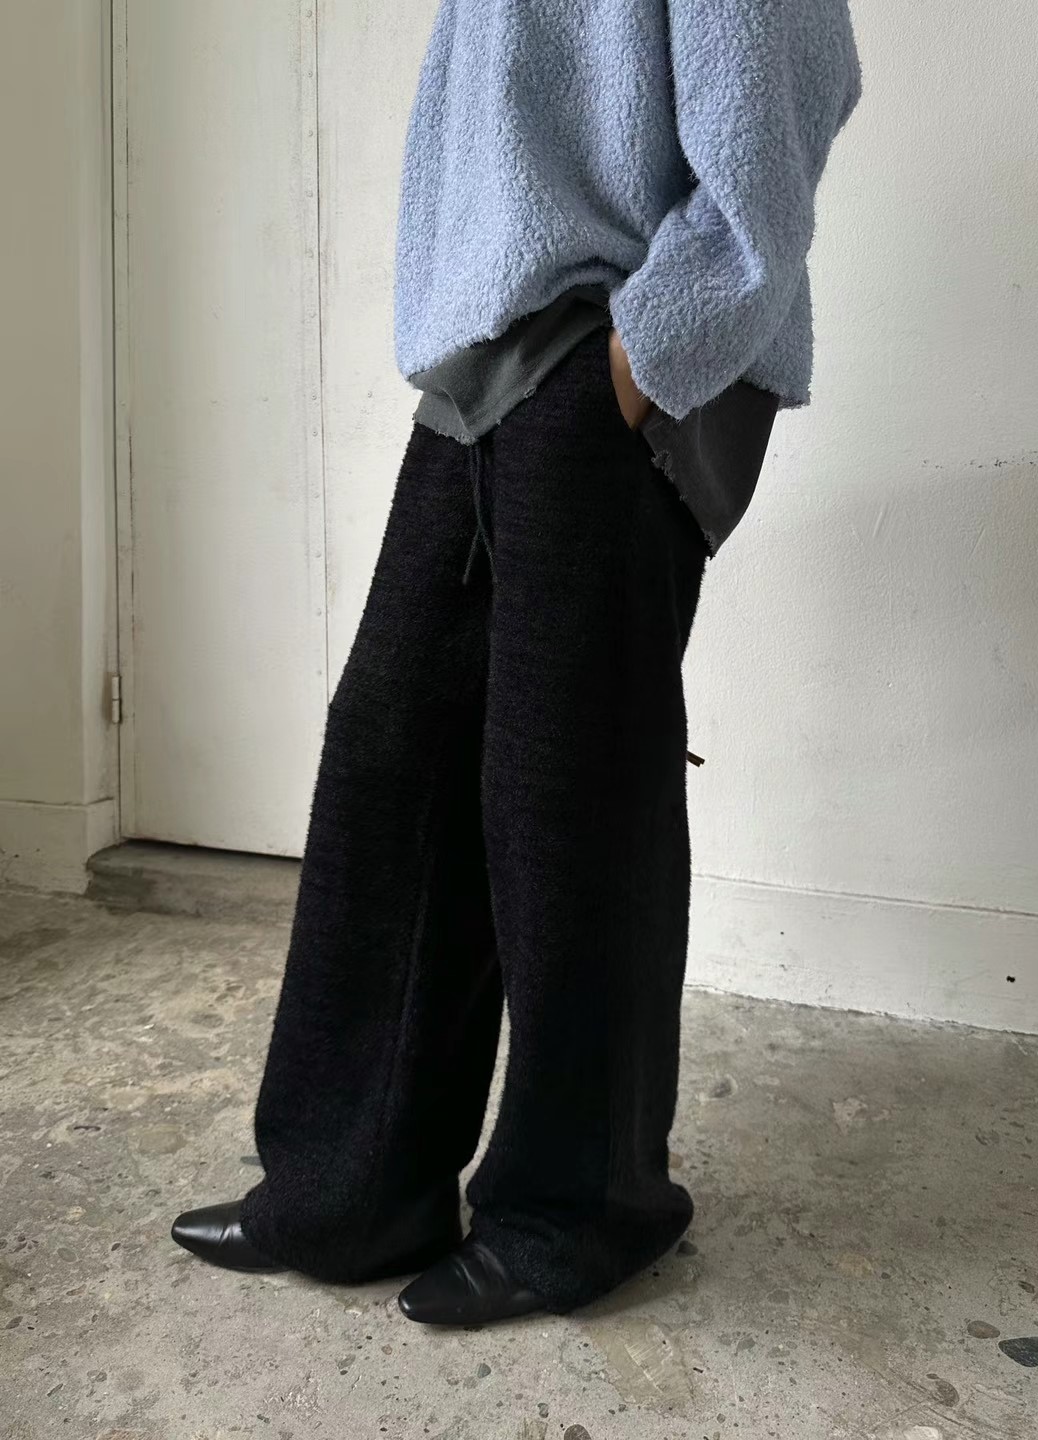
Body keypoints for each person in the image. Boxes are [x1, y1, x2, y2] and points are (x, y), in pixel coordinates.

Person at [171, 0, 862, 1327]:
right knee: (392, 757)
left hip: (612, 347)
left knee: (568, 793)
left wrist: (650, 350)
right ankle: (352, 1187)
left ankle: (580, 1209)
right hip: (496, 349)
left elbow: (783, 88)